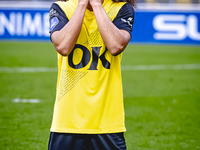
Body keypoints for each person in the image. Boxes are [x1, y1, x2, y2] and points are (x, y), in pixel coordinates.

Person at [48, 0, 135, 148]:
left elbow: (116, 46)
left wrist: (96, 5)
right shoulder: (63, 7)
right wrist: (82, 4)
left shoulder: (121, 8)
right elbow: (62, 46)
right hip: (67, 121)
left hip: (107, 122)